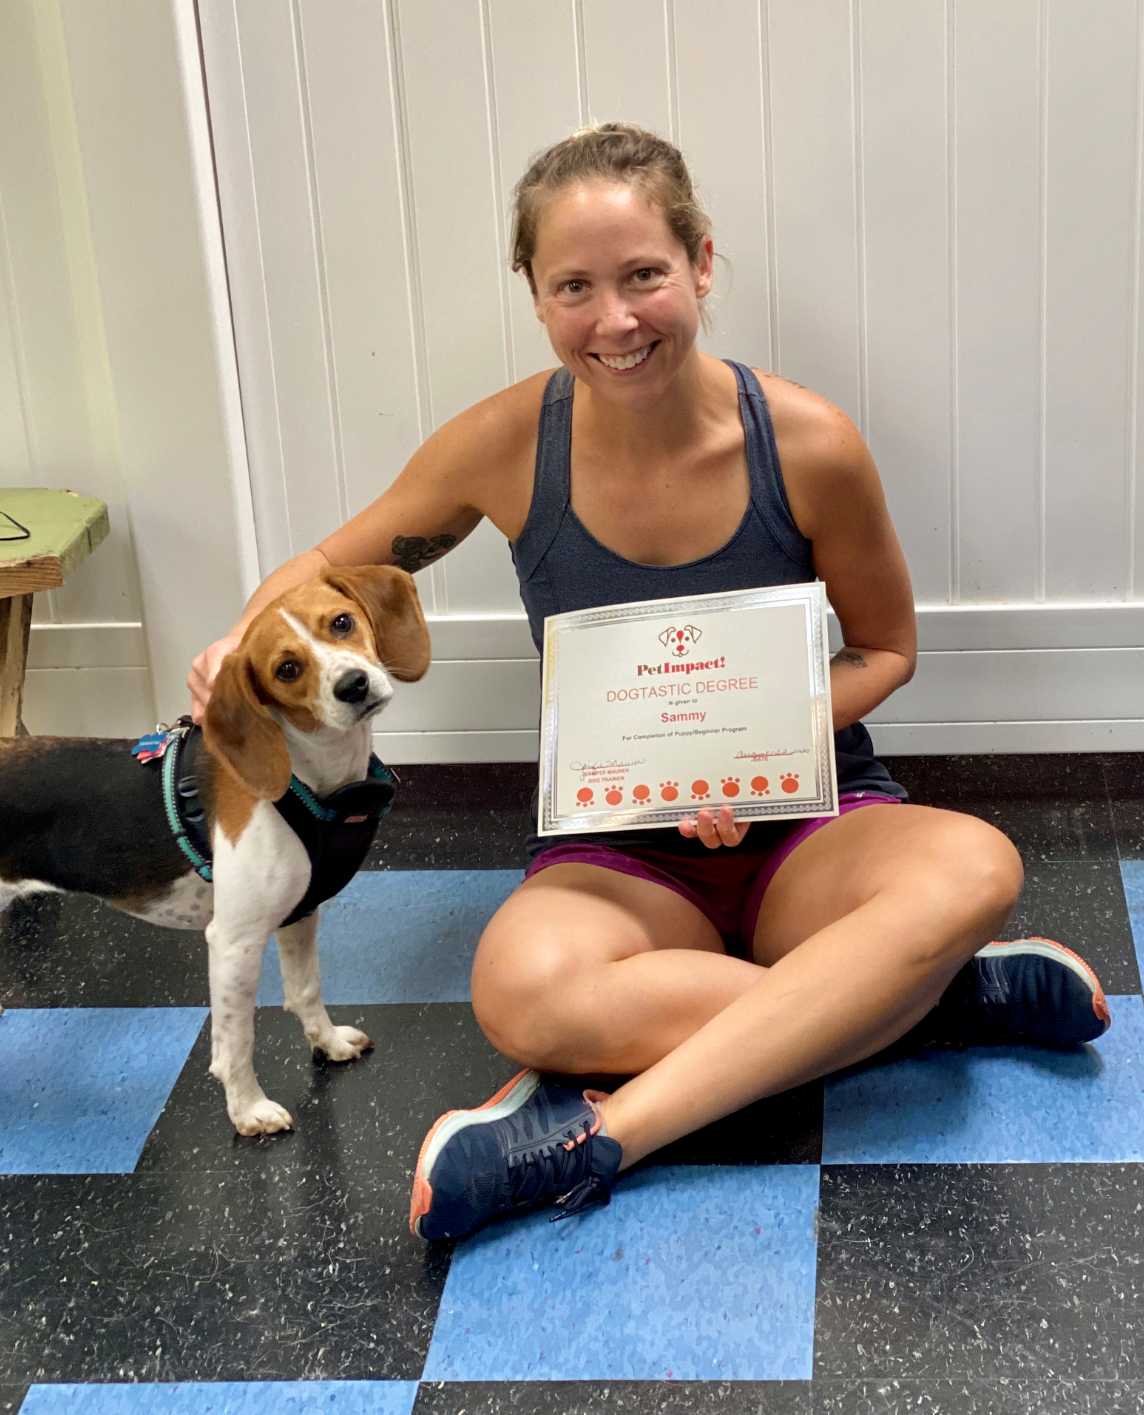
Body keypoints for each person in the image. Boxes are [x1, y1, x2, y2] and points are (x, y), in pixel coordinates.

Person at [190, 123, 1110, 1243]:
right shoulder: (500, 444)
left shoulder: (807, 442)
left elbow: (884, 648)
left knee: (977, 861)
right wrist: (234, 633)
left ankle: (597, 1132)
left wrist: (747, 751)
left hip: (805, 826)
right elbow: (329, 565)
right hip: (619, 849)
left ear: (701, 265)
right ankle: (921, 997)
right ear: (534, 293)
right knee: (515, 989)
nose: (614, 320)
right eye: (573, 284)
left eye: (643, 276)